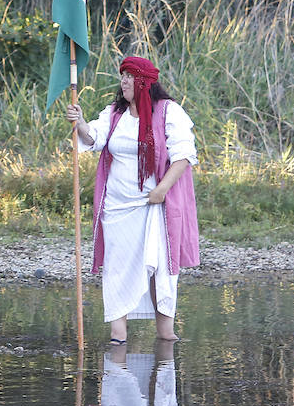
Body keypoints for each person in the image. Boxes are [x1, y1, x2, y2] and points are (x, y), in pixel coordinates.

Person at [66, 55, 200, 343]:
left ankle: (166, 334)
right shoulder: (115, 113)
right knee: (116, 266)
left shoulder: (168, 112)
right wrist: (80, 123)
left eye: (130, 76)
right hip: (117, 206)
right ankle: (118, 335)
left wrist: (161, 190)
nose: (124, 81)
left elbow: (183, 156)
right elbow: (95, 138)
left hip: (154, 205)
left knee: (159, 266)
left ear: (145, 82)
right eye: (123, 75)